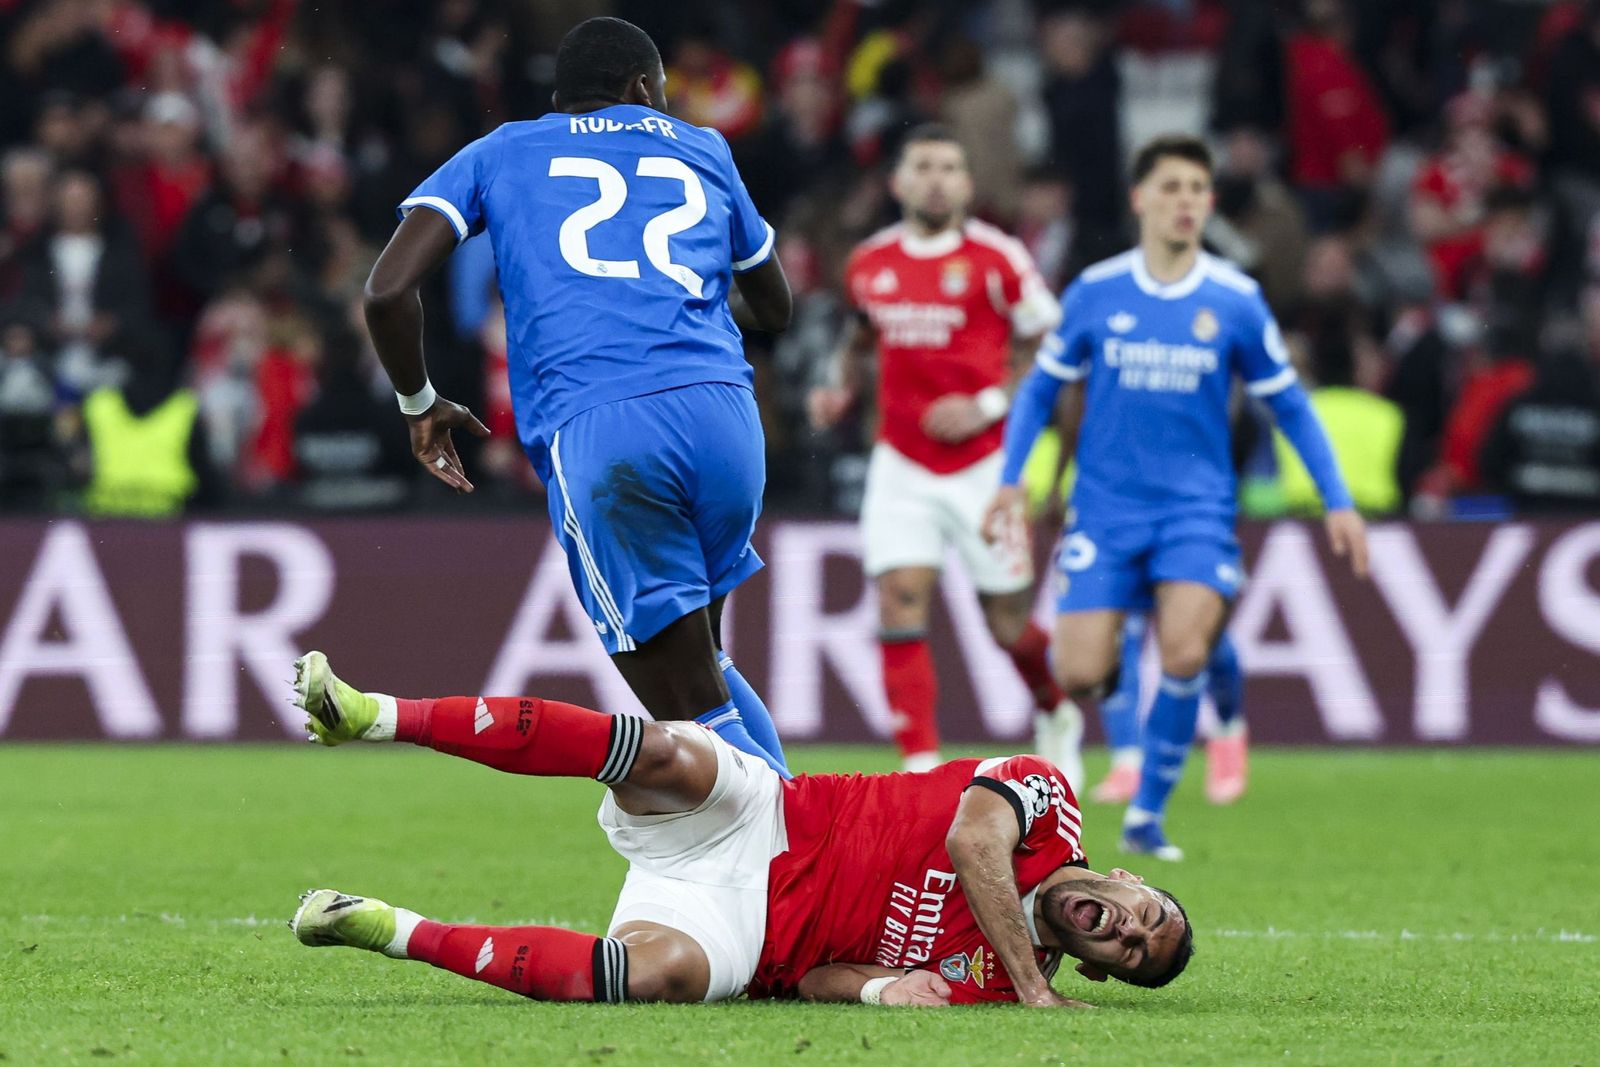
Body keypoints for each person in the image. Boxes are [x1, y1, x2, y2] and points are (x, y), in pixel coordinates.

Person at [360, 18, 794, 775]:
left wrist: (419, 402)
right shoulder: (704, 147)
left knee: (683, 708)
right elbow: (777, 307)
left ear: (561, 98)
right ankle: (796, 847)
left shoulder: (504, 150)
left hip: (606, 424)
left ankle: (809, 846)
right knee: (706, 666)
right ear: (643, 88)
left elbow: (387, 291)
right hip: (726, 414)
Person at [286, 650, 1193, 1006]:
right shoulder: (1050, 801)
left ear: (1104, 966)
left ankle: (378, 926)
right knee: (660, 755)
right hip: (765, 813)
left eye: (1133, 955)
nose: (1129, 932)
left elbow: (833, 974)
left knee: (652, 977)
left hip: (749, 934)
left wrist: (881, 993)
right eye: (1147, 913)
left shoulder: (991, 982)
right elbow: (970, 839)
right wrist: (1034, 989)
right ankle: (368, 714)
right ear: (1120, 876)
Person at [985, 134, 1369, 861]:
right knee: (1079, 670)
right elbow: (1041, 388)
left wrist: (1338, 499)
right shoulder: (1098, 289)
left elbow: (1289, 406)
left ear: (1209, 202)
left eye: (1198, 188)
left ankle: (1147, 816)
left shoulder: (1234, 298)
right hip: (1104, 508)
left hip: (1196, 508)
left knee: (1182, 646)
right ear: (1141, 199)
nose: (1186, 200)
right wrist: (1013, 477)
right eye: (1171, 187)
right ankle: (1203, 678)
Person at [807, 126, 1078, 778]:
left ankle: (1054, 704)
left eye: (949, 167)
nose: (936, 178)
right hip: (900, 461)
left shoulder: (999, 258)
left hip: (988, 465)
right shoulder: (869, 262)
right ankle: (921, 771)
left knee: (1009, 624)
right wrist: (838, 386)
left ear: (966, 184)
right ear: (899, 183)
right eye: (923, 166)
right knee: (899, 597)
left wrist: (986, 404)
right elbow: (860, 336)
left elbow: (1054, 346)